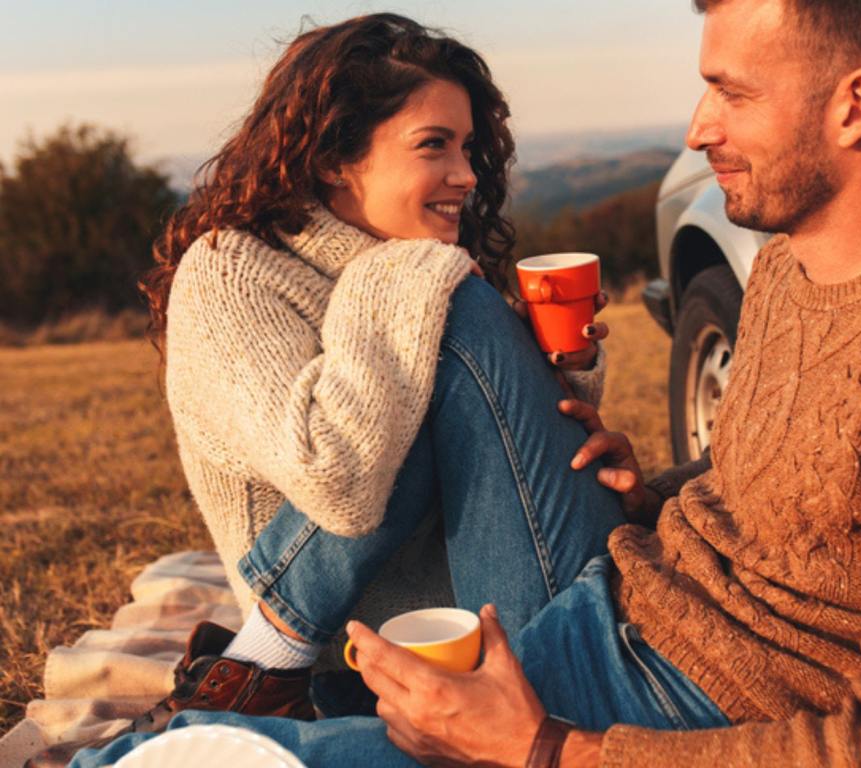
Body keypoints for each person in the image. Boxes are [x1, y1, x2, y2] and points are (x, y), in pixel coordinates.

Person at [68, 0, 861, 766]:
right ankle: (262, 669)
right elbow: (807, 511)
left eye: (731, 93)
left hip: (648, 698)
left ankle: (257, 667)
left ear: (854, 106)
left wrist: (549, 749)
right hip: (619, 606)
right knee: (203, 751)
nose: (697, 128)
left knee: (201, 759)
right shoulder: (787, 269)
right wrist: (654, 490)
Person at [27, 12, 626, 768]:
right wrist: (413, 280)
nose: (468, 175)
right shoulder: (234, 276)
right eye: (433, 145)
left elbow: (494, 467)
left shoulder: (407, 266)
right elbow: (337, 479)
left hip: (476, 608)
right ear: (337, 158)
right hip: (362, 652)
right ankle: (262, 666)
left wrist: (559, 382)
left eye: (468, 146)